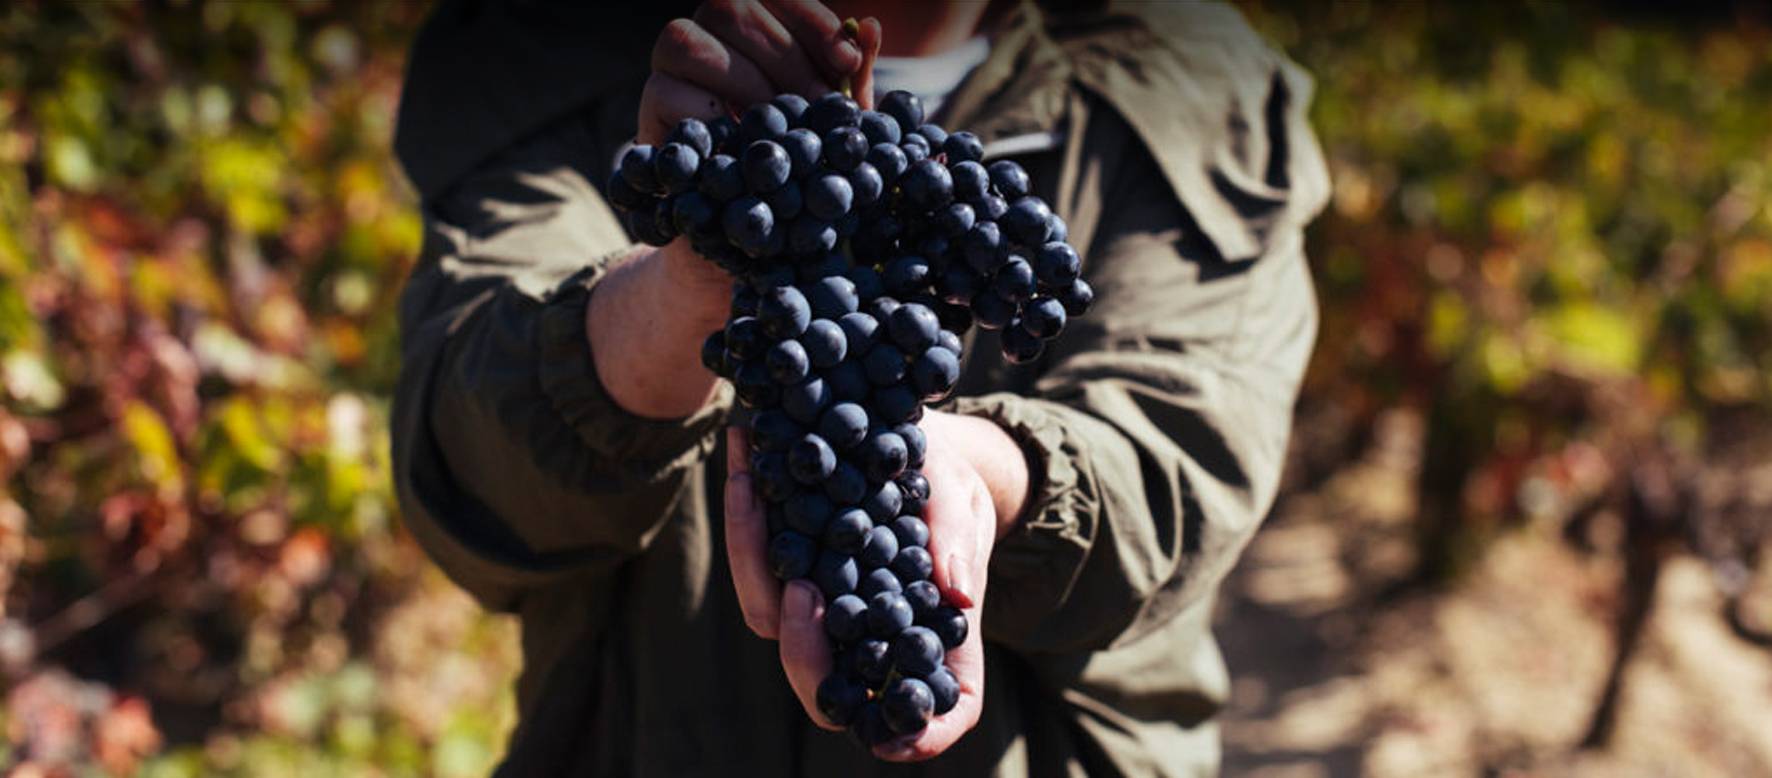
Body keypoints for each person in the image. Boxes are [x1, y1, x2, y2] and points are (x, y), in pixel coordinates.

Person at [390, 0, 1327, 774]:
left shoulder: (1195, 82)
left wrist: (982, 479)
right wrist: (689, 280)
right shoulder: (544, 55)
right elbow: (470, 471)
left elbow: (1182, 454)